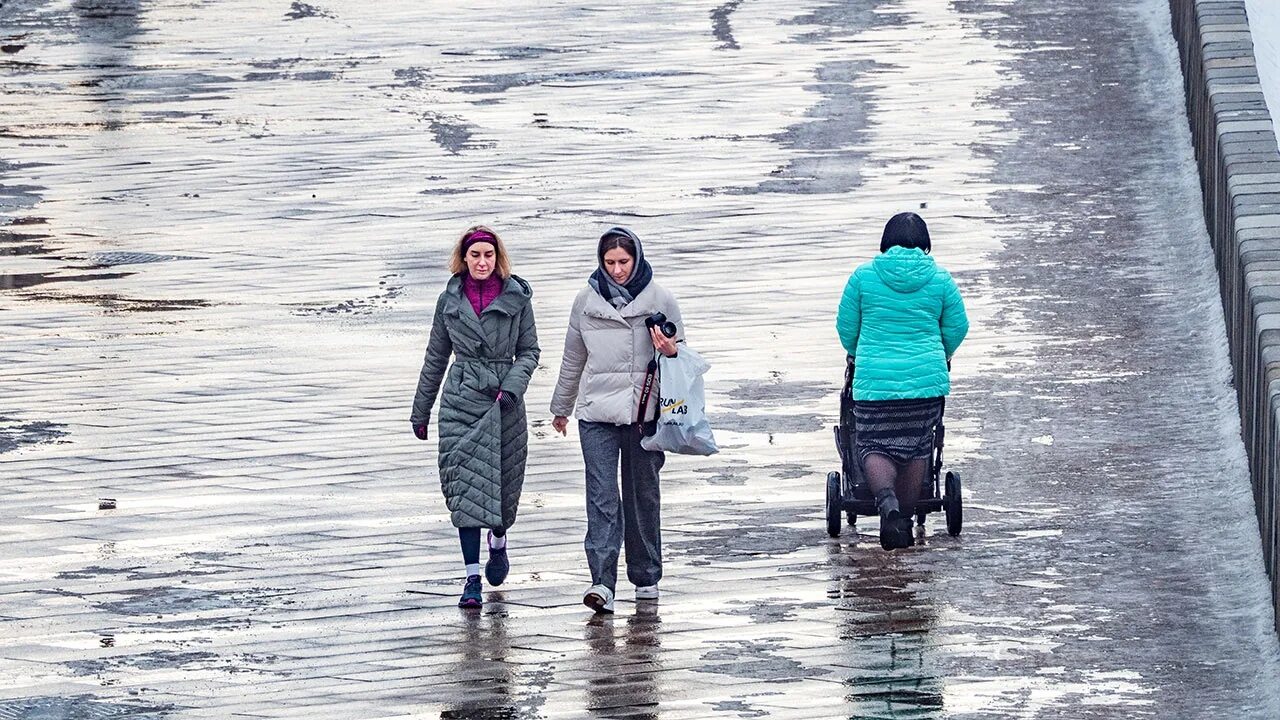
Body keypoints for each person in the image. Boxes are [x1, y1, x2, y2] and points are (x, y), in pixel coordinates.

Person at [550, 227, 682, 614]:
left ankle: (646, 577)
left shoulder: (661, 298)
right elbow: (573, 357)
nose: (618, 270)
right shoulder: (586, 300)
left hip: (645, 416)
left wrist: (670, 350)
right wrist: (562, 407)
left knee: (643, 495)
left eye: (624, 262)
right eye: (610, 263)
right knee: (602, 497)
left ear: (637, 259)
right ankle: (601, 582)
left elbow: (684, 357)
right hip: (597, 414)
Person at [410, 225, 540, 607]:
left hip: (504, 402)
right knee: (464, 490)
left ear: (497, 258)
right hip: (461, 400)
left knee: (502, 487)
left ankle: (498, 539)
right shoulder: (448, 302)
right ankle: (471, 579)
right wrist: (421, 411)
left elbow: (529, 351)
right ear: (463, 259)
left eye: (488, 255)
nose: (482, 262)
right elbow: (435, 357)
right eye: (475, 256)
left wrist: (512, 387)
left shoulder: (517, 298)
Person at [835, 212, 968, 550]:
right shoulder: (940, 279)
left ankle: (888, 505)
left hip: (874, 386)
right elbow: (957, 327)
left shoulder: (863, 278)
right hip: (925, 385)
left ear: (885, 241)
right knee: (918, 447)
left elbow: (846, 328)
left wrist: (860, 354)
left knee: (873, 445)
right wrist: (942, 354)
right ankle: (905, 519)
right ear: (925, 243)